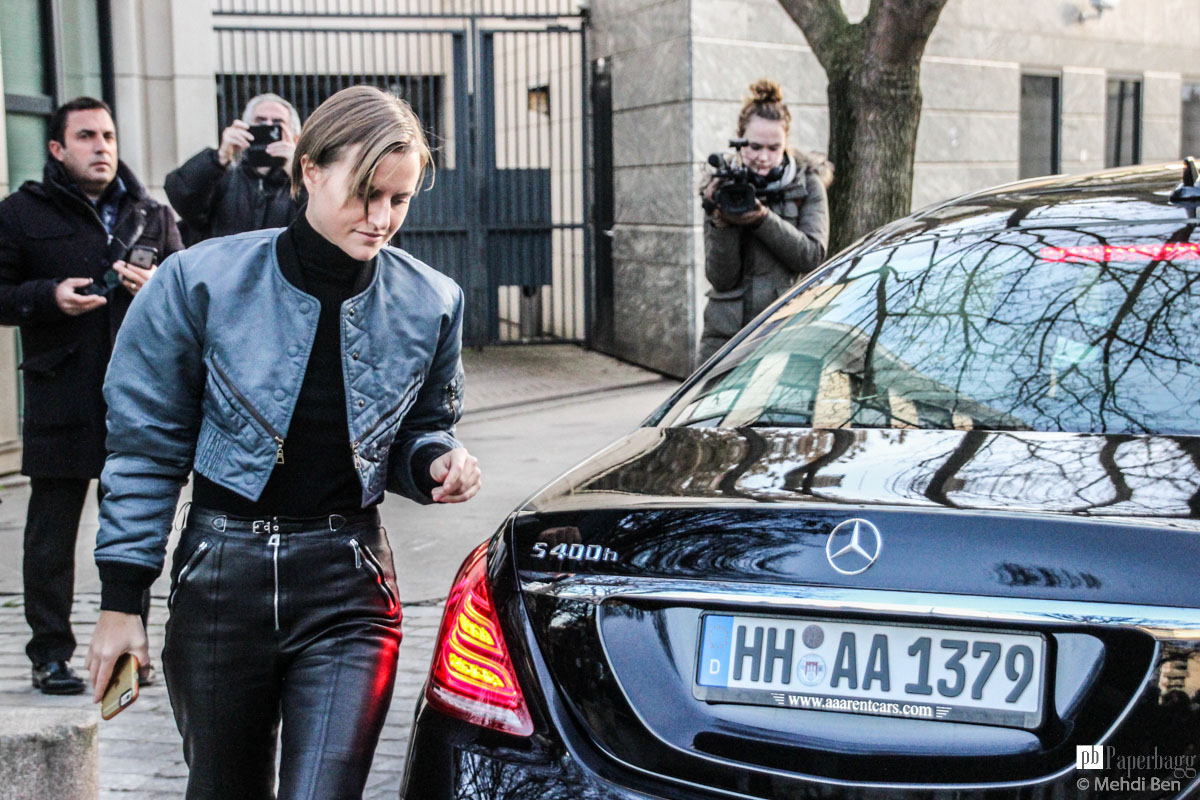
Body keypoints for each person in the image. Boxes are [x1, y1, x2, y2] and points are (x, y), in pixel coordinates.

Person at [85, 85, 480, 799]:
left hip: (348, 585)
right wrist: (123, 601)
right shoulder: (198, 281)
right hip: (220, 582)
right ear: (309, 171)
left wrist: (436, 462)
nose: (382, 218)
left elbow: (418, 429)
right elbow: (145, 447)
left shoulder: (433, 301)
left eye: (400, 199)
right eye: (366, 193)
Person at [0, 96, 182, 694]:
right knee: (50, 537)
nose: (102, 146)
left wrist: (156, 287)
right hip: (61, 394)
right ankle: (50, 653)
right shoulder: (20, 213)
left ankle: (131, 650)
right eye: (86, 136)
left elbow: (193, 294)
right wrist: (48, 295)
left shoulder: (151, 214)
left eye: (107, 135)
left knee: (133, 524)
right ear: (57, 148)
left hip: (138, 399)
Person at [699, 79, 832, 362]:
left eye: (774, 148)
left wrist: (761, 218)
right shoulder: (722, 185)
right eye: (755, 146)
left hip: (786, 331)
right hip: (726, 336)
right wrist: (721, 222)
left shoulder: (806, 184)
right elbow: (721, 279)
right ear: (739, 139)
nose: (763, 157)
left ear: (786, 143)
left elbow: (812, 256)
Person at [165, 92, 304, 243]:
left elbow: (322, 223)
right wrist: (219, 157)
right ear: (245, 129)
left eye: (277, 122)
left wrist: (298, 173)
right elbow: (181, 194)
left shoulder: (303, 182)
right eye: (260, 121)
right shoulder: (223, 177)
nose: (268, 126)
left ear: (295, 138)